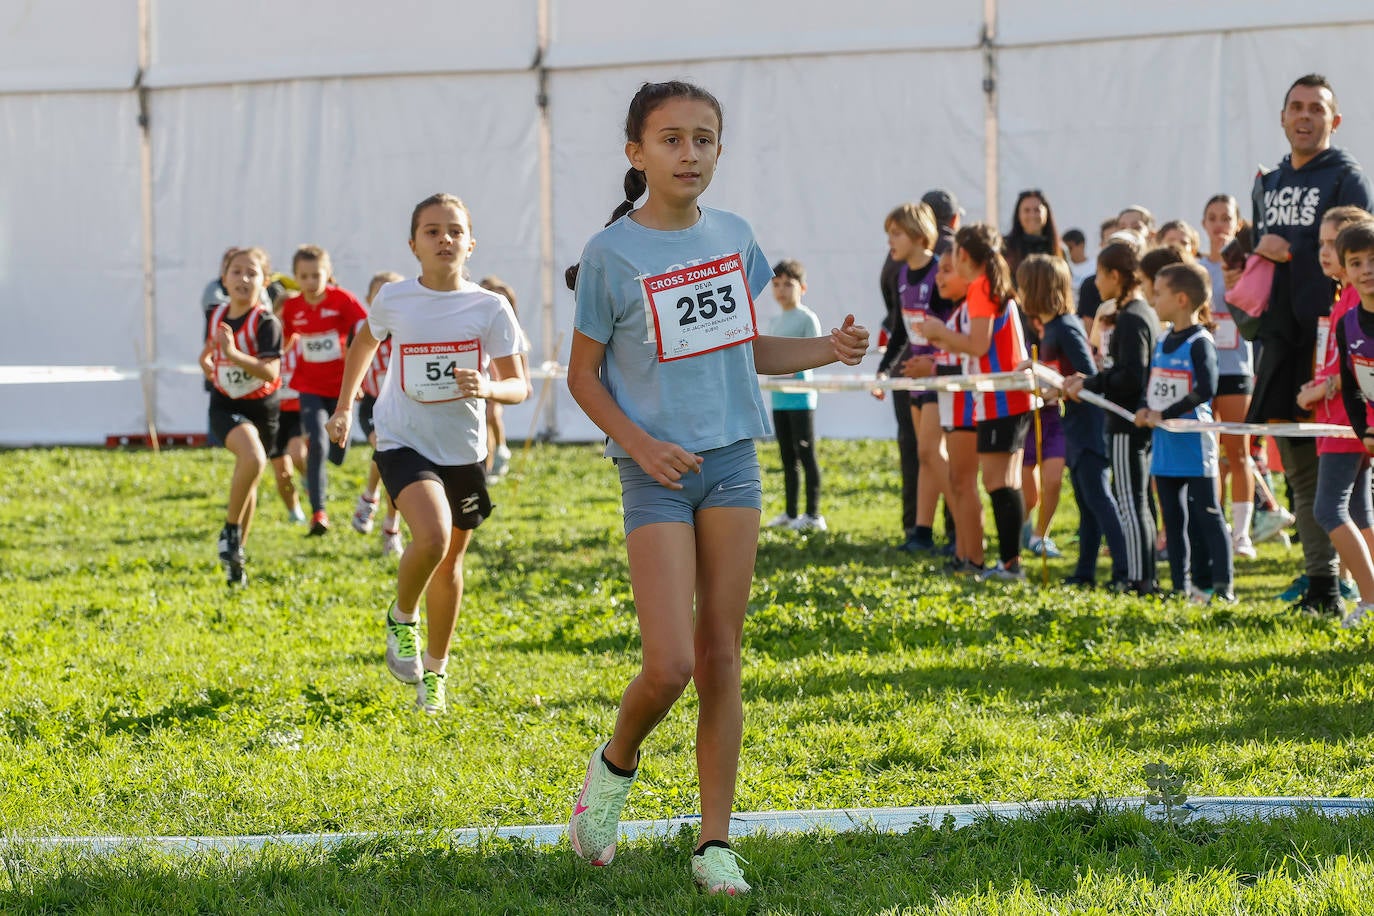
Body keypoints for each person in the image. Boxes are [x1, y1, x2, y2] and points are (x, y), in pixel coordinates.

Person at [562, 81, 868, 896]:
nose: (688, 153)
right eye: (670, 139)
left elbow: (745, 350)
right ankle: (613, 769)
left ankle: (714, 844)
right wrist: (640, 446)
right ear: (636, 153)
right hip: (654, 473)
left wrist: (826, 351)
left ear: (720, 150)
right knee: (667, 667)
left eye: (703, 138)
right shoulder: (610, 255)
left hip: (734, 463)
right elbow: (583, 379)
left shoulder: (735, 237)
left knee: (721, 655)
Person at [327, 193, 528, 715]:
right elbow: (363, 345)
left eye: (455, 231)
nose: (445, 239)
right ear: (413, 244)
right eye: (433, 231)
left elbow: (518, 387)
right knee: (433, 536)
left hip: (462, 449)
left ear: (470, 243)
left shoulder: (489, 307)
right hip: (401, 437)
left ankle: (436, 671)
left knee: (451, 560)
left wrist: (485, 387)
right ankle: (402, 616)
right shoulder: (395, 298)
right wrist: (346, 406)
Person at [1234, 73, 1374, 615]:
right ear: (1283, 116)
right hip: (1278, 336)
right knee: (1296, 459)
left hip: (1331, 336)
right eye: (1296, 106)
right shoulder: (1266, 180)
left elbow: (1358, 248)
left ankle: (1335, 582)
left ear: (1333, 121)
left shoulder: (1346, 177)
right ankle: (1321, 576)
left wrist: (1290, 250)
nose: (1305, 116)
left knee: (1337, 471)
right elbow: (1259, 248)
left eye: (1317, 108)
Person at [921, 223, 1030, 580]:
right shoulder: (991, 286)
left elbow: (978, 346)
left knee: (999, 482)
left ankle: (1011, 565)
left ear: (964, 256)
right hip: (1001, 395)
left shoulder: (982, 287)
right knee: (1002, 480)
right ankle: (1009, 562)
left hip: (1001, 395)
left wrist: (940, 334)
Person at [1020, 254, 1128, 588]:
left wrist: (1057, 385)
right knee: (1086, 502)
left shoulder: (1065, 327)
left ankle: (1126, 571)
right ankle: (1085, 572)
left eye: (1024, 286)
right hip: (1075, 424)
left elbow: (1088, 374)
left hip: (1090, 425)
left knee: (1099, 498)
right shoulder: (1051, 327)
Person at [1134, 263, 1234, 602]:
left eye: (1158, 293)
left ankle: (1223, 587)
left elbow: (1206, 388)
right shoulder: (1162, 339)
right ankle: (1180, 587)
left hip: (1195, 443)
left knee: (1208, 515)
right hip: (1165, 447)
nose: (1153, 298)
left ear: (1180, 299)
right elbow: (1152, 386)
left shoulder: (1199, 341)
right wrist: (1144, 410)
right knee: (1172, 520)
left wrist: (1165, 412)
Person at [1066, 240, 1158, 593]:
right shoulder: (1133, 313)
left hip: (1126, 421)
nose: (1096, 284)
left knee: (1131, 503)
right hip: (1129, 419)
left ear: (1115, 276)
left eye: (1101, 276)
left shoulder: (1133, 317)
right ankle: (1142, 574)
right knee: (1136, 502)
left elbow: (1130, 376)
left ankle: (1136, 577)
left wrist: (1091, 382)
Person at [198, 247, 283, 586]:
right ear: (223, 278)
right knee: (252, 457)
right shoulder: (215, 313)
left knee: (251, 476)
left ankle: (237, 559)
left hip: (263, 409)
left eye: (252, 273)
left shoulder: (266, 322)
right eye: (236, 272)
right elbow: (208, 350)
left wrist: (233, 354)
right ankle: (230, 532)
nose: (243, 279)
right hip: (225, 404)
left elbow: (270, 372)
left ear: (264, 282)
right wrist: (207, 363)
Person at [279, 245, 368, 535]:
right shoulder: (293, 307)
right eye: (303, 276)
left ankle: (334, 451)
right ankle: (319, 513)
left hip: (343, 387)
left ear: (328, 274)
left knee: (337, 454)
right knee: (316, 441)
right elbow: (286, 339)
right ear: (295, 277)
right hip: (309, 385)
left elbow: (366, 330)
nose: (310, 282)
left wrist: (358, 379)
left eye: (316, 275)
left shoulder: (342, 300)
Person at [887, 202, 954, 553]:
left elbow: (953, 329)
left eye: (895, 233)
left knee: (930, 450)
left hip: (939, 376)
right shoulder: (901, 275)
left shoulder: (938, 272)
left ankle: (962, 528)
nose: (890, 242)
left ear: (916, 233)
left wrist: (936, 364)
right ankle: (922, 533)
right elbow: (900, 331)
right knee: (925, 456)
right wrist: (886, 370)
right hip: (914, 376)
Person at [1319, 216, 1374, 626]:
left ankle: (1369, 599)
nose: (1366, 270)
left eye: (1373, 260)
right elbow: (1353, 381)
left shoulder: (1354, 303)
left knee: (1330, 508)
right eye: (1356, 262)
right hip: (1359, 426)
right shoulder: (1347, 314)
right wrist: (1365, 430)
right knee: (1357, 509)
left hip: (1342, 424)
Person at [1198, 194, 1258, 558]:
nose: (1219, 224)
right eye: (1213, 218)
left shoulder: (1249, 265)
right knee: (1206, 450)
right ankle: (1213, 526)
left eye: (1226, 218)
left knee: (1238, 451)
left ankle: (1242, 533)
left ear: (1237, 223)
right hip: (1202, 368)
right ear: (1204, 224)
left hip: (1236, 365)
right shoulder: (1194, 267)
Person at [929, 254, 984, 573]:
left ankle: (974, 558)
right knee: (958, 481)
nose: (939, 278)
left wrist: (935, 361)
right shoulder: (958, 311)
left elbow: (972, 356)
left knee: (964, 482)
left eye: (947, 271)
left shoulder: (970, 311)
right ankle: (964, 554)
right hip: (953, 404)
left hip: (966, 405)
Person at [763, 258, 826, 531]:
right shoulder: (775, 322)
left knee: (806, 455)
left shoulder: (807, 319)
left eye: (788, 284)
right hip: (780, 400)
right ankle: (790, 514)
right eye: (776, 284)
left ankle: (813, 515)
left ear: (802, 287)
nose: (781, 290)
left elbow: (814, 355)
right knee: (787, 457)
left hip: (801, 400)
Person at [350, 271, 406, 556]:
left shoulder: (411, 328)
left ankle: (385, 519)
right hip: (372, 404)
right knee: (384, 449)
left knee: (392, 459)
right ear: (369, 300)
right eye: (379, 295)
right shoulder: (364, 328)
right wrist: (355, 387)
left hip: (403, 405)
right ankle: (379, 514)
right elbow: (354, 360)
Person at [477, 275, 533, 483]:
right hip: (486, 378)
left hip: (502, 381)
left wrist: (525, 380)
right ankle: (491, 458)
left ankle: (500, 451)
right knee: (485, 418)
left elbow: (521, 355)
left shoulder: (512, 328)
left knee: (492, 414)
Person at [270, 327, 307, 524]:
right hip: (273, 414)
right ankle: (295, 512)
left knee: (297, 453)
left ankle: (308, 477)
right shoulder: (266, 342)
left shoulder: (301, 342)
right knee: (282, 473)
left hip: (297, 409)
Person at [1003, 189, 1063, 279]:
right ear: (1018, 215)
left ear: (1047, 213)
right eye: (1026, 210)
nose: (1032, 215)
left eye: (1037, 210)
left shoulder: (1059, 249)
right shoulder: (1005, 247)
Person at [1063, 228, 1095, 303]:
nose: (1067, 253)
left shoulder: (1095, 266)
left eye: (1070, 248)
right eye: (1065, 250)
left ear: (1081, 245)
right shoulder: (1063, 267)